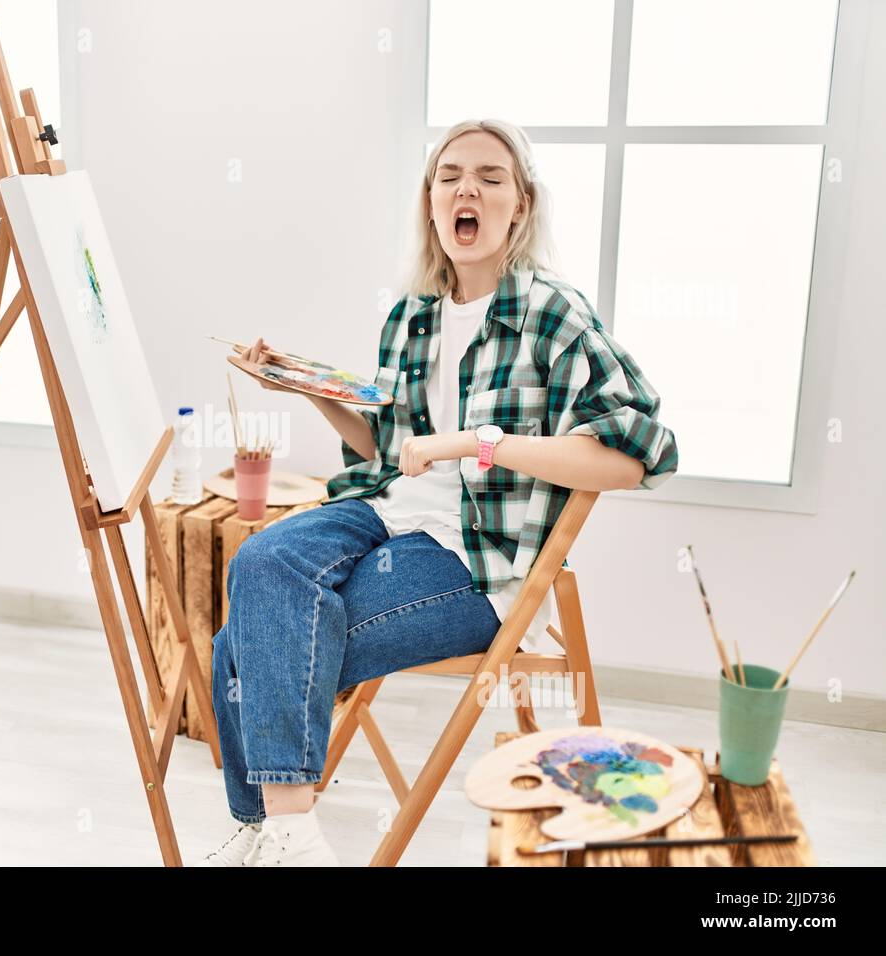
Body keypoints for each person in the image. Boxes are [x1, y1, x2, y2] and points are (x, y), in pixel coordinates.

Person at [196, 118, 679, 866]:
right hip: (387, 510)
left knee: (243, 644)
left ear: (520, 205)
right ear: (430, 201)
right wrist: (304, 387)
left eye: (491, 177)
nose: (468, 189)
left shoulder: (552, 313)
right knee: (261, 567)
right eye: (451, 174)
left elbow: (635, 457)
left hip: (481, 557)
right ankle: (283, 832)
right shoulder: (412, 317)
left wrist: (475, 443)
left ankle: (273, 831)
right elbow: (389, 450)